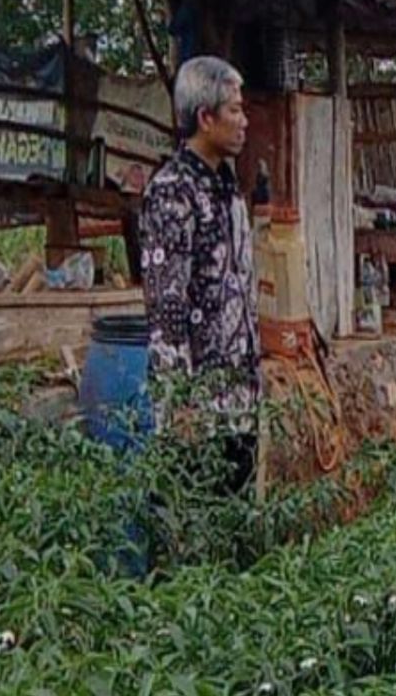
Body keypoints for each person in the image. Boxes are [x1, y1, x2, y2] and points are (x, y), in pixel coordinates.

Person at [140, 55, 259, 487]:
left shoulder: (226, 188)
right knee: (193, 529)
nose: (244, 120)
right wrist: (179, 405)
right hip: (197, 410)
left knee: (237, 528)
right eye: (234, 110)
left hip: (238, 400)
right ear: (205, 118)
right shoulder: (173, 193)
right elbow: (165, 309)